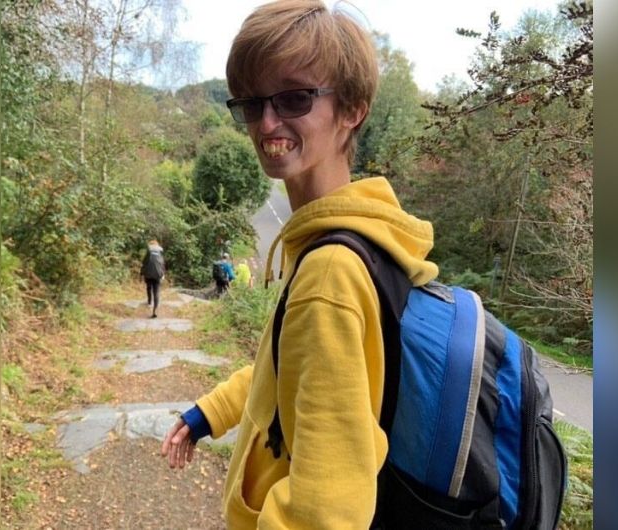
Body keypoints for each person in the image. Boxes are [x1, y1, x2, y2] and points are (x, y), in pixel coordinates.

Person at [160, 1, 438, 527]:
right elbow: (290, 371)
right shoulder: (364, 238)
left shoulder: (329, 271)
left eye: (293, 97)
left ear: (352, 108)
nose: (267, 122)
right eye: (251, 102)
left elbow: (328, 507)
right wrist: (209, 414)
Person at [140, 239, 165, 318]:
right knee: (156, 291)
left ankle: (149, 302)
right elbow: (163, 263)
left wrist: (141, 273)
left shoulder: (149, 251)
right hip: (158, 274)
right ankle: (155, 310)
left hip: (148, 274)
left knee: (149, 287)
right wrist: (163, 274)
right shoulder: (160, 252)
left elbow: (144, 262)